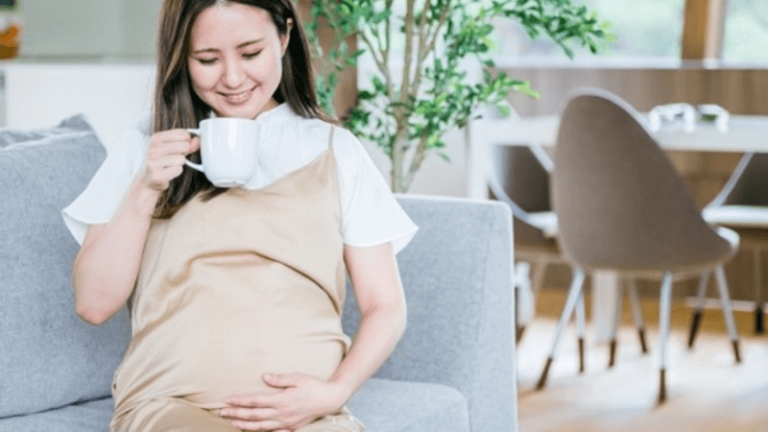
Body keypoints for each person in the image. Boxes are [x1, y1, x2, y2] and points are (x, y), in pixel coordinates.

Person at [62, 1, 418, 431]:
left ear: (285, 38)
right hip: (171, 407)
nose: (232, 78)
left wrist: (335, 392)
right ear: (181, 56)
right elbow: (94, 304)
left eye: (250, 54)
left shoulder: (334, 150)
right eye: (207, 60)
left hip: (304, 416)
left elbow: (385, 305)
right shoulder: (146, 148)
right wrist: (145, 190)